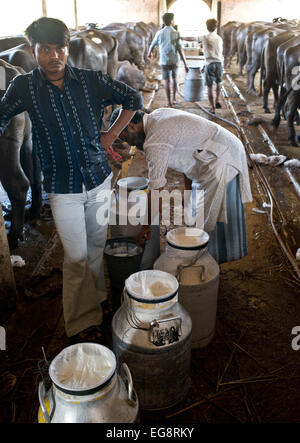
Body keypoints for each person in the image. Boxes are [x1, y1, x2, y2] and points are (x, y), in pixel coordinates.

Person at [0, 17, 143, 341]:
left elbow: (133, 99)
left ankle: (99, 302)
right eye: (45, 49)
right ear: (34, 50)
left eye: (59, 48)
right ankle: (81, 324)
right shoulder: (25, 87)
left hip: (97, 180)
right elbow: (2, 114)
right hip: (62, 188)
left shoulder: (91, 80)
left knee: (94, 250)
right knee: (76, 256)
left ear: (68, 48)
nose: (54, 56)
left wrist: (111, 134)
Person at [110, 107, 252, 264]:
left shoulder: (156, 140)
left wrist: (145, 227)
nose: (127, 143)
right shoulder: (157, 116)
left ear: (131, 125)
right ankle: (204, 258)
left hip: (222, 156)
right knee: (197, 215)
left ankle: (210, 263)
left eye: (124, 137)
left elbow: (156, 190)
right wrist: (189, 191)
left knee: (211, 218)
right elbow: (185, 155)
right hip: (212, 153)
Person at [147, 12, 188, 108]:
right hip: (174, 61)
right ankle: (174, 99)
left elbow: (152, 44)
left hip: (164, 61)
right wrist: (185, 64)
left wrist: (149, 53)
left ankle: (169, 102)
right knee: (174, 79)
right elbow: (180, 49)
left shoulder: (159, 33)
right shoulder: (176, 33)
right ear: (172, 21)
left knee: (166, 81)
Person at [183, 19, 224, 114]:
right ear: (216, 27)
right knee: (218, 83)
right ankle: (217, 100)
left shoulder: (205, 37)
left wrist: (181, 37)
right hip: (219, 63)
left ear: (207, 27)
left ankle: (213, 108)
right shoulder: (219, 38)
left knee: (209, 87)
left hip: (209, 64)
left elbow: (192, 38)